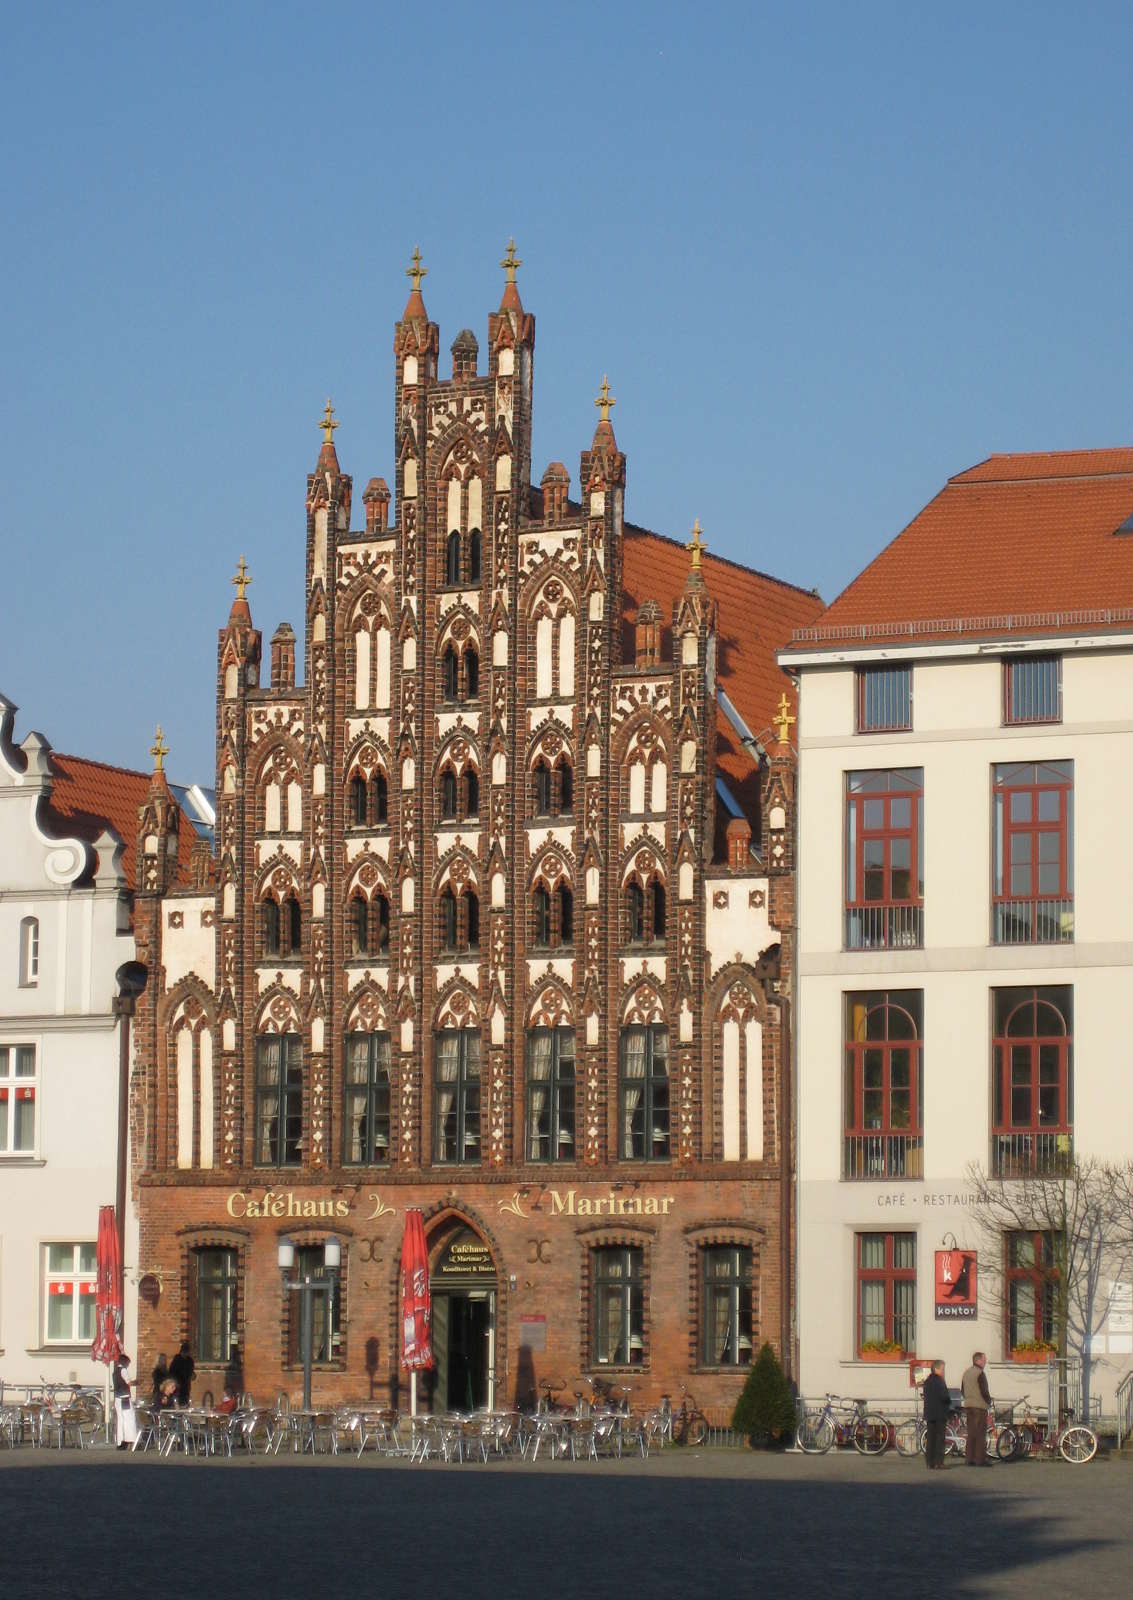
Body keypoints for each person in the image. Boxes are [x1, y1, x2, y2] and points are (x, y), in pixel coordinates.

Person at [961, 1350, 993, 1466]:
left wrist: (969, 1399)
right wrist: (988, 1401)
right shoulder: (980, 1373)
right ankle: (980, 1460)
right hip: (979, 1407)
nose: (985, 1362)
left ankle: (969, 1459)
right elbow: (984, 1390)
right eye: (984, 1360)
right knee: (980, 1434)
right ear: (978, 1360)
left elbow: (963, 1390)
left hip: (968, 1405)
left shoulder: (966, 1373)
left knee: (971, 1433)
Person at [922, 1359, 951, 1470]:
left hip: (930, 1414)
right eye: (942, 1369)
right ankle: (939, 1462)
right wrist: (949, 1402)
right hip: (939, 1414)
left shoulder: (928, 1381)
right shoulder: (940, 1381)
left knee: (930, 1438)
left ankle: (930, 1462)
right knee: (939, 1439)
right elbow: (944, 1397)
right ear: (936, 1369)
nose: (944, 1371)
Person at [112, 1355, 139, 1450]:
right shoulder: (123, 1370)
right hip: (125, 1398)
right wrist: (137, 1382)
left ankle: (120, 1441)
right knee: (129, 1419)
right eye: (128, 1363)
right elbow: (129, 1382)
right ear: (125, 1362)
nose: (128, 1365)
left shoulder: (115, 1371)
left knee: (120, 1420)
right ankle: (130, 1439)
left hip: (117, 1398)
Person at [168, 1341, 195, 1407]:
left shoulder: (190, 1361)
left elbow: (190, 1371)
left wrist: (192, 1375)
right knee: (177, 1404)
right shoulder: (177, 1359)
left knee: (185, 1403)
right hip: (178, 1387)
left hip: (186, 1386)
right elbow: (171, 1373)